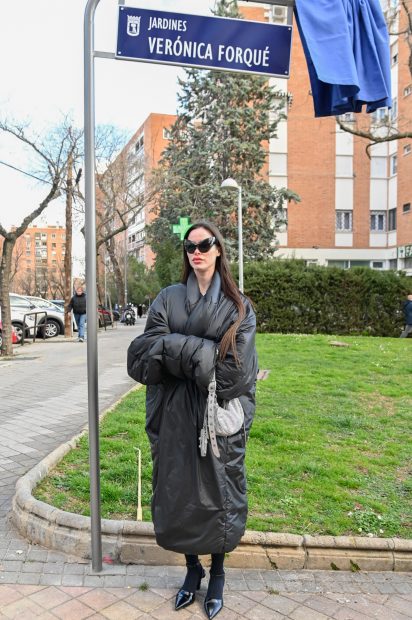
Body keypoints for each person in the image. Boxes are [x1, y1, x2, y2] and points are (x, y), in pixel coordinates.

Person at [127, 221, 257, 619]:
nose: (196, 251)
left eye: (204, 244)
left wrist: (173, 347)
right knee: (179, 492)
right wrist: (204, 352)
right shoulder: (167, 299)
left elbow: (235, 373)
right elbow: (141, 357)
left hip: (218, 417)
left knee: (220, 493)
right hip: (173, 415)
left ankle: (217, 574)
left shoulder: (239, 307)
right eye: (189, 245)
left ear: (218, 249)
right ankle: (191, 569)